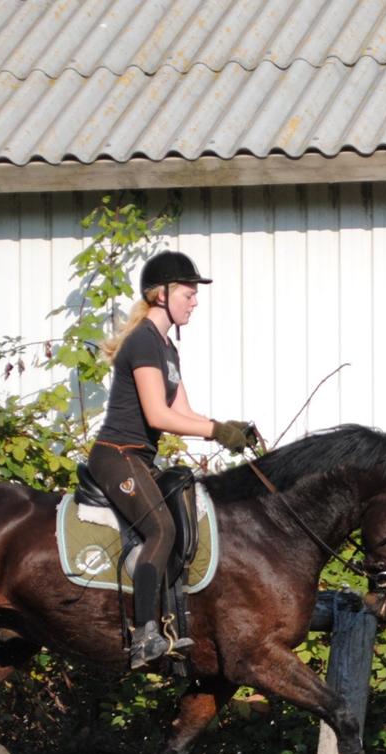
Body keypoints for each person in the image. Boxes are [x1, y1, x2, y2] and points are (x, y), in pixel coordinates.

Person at [89, 250, 254, 669]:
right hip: (116, 457)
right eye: (188, 292)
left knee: (181, 521)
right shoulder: (143, 341)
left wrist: (227, 427)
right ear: (161, 295)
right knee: (160, 529)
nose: (194, 300)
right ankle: (145, 637)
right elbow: (158, 417)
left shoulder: (167, 350)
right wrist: (216, 431)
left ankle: (172, 623)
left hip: (139, 459)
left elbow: (185, 414)